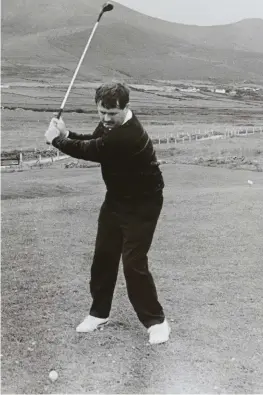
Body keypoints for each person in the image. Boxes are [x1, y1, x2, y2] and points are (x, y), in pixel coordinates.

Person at [45, 82, 171, 345]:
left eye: (111, 114)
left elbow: (93, 150)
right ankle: (98, 313)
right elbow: (95, 141)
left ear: (126, 108)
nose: (105, 119)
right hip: (116, 199)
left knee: (134, 263)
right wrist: (67, 132)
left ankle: (156, 322)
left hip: (144, 204)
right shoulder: (110, 127)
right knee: (103, 256)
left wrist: (57, 140)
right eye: (101, 112)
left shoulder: (128, 134)